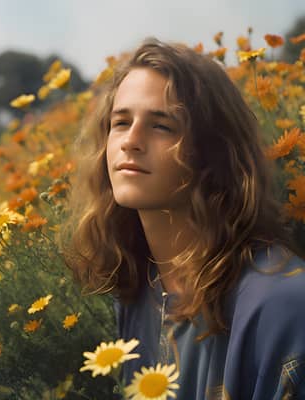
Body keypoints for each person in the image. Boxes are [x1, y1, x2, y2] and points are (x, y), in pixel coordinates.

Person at [65, 38, 305, 399]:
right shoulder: (138, 290)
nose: (131, 140)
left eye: (161, 125)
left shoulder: (279, 305)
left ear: (214, 151)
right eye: (120, 122)